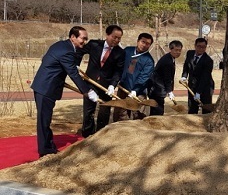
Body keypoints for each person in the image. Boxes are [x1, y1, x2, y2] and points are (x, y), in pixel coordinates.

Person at [31, 26, 98, 157]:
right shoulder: (68, 51)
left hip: (43, 86)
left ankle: (49, 146)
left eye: (86, 39)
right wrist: (87, 91)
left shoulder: (60, 45)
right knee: (44, 121)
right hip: (46, 88)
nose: (84, 41)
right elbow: (73, 74)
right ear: (73, 37)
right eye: (82, 38)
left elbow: (46, 59)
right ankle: (45, 151)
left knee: (45, 120)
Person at [79, 24, 125, 138]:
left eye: (119, 38)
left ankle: (100, 135)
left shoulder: (120, 52)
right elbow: (79, 52)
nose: (116, 40)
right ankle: (87, 135)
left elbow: (118, 72)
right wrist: (75, 64)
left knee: (104, 111)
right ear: (107, 35)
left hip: (106, 86)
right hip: (90, 82)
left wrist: (112, 85)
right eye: (114, 37)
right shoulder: (94, 44)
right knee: (89, 111)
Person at [114, 33, 154, 121]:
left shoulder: (149, 60)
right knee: (120, 112)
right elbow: (118, 65)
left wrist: (135, 90)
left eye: (148, 44)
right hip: (123, 87)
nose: (144, 45)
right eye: (143, 42)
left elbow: (144, 77)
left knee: (138, 114)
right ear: (138, 41)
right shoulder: (127, 51)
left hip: (138, 91)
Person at [180, 37, 214, 114]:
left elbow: (205, 78)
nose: (201, 49)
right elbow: (186, 65)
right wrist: (184, 76)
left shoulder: (208, 61)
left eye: (203, 47)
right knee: (192, 108)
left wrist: (199, 92)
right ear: (195, 46)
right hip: (192, 86)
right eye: (199, 46)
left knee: (206, 110)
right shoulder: (190, 53)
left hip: (205, 88)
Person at [149, 40, 183, 116]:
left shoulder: (170, 58)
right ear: (170, 49)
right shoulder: (167, 61)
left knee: (157, 109)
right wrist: (169, 91)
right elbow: (167, 78)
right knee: (157, 110)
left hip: (159, 87)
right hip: (157, 88)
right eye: (176, 50)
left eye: (179, 50)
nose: (178, 52)